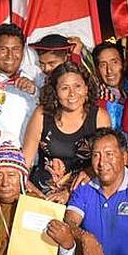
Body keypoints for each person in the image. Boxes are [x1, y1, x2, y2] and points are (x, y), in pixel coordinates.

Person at [22, 61, 109, 201]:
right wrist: (33, 193)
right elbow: (24, 163)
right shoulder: (42, 115)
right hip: (41, 195)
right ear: (55, 92)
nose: (72, 94)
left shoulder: (100, 117)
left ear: (86, 88)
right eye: (64, 88)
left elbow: (105, 163)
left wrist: (70, 193)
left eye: (77, 86)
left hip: (83, 195)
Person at [93, 39, 128, 129]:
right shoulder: (96, 99)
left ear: (123, 64)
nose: (109, 70)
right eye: (103, 65)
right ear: (97, 70)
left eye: (114, 62)